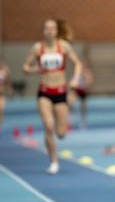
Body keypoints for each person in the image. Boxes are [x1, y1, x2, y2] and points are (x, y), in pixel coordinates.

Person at [23, 19, 82, 174]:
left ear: (56, 31)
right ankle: (54, 162)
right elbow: (25, 67)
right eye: (47, 28)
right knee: (48, 126)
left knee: (61, 134)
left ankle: (57, 132)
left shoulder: (63, 46)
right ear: (43, 31)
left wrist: (75, 79)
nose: (50, 31)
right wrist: (34, 69)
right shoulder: (37, 47)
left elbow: (78, 63)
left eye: (52, 28)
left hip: (61, 92)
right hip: (44, 92)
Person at [68, 58, 93, 128]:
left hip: (83, 90)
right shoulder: (77, 72)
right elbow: (72, 81)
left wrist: (86, 79)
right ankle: (71, 118)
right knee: (70, 102)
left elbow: (90, 82)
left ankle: (84, 121)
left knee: (83, 107)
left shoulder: (87, 72)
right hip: (76, 90)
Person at [0, 58, 13, 136]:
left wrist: (10, 90)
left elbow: (9, 81)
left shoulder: (6, 70)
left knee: (0, 110)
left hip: (1, 94)